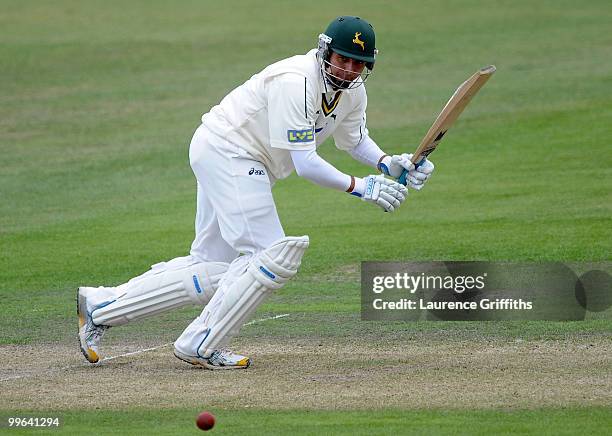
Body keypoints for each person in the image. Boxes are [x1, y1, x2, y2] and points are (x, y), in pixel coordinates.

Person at [77, 16, 434, 370]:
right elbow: (306, 163)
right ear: (325, 52)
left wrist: (387, 163)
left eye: (359, 63)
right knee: (273, 255)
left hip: (236, 157)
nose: (349, 70)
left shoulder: (352, 93)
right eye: (343, 59)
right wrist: (361, 187)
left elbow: (353, 140)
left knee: (214, 265)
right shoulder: (296, 82)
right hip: (230, 150)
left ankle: (101, 307)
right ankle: (199, 343)